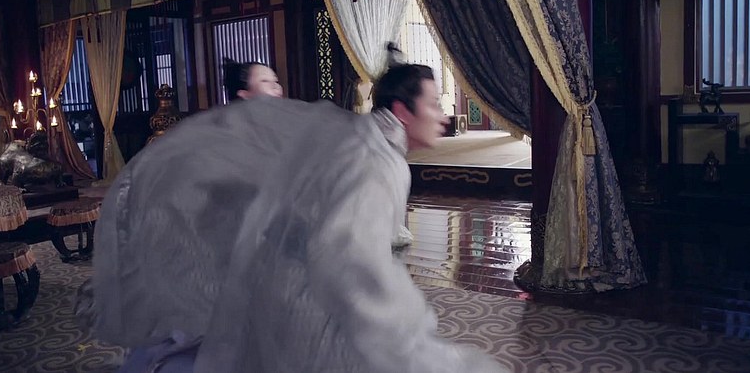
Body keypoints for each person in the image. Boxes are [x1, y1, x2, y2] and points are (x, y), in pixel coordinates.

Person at [78, 61, 506, 372]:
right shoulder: (375, 160)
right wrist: (404, 329)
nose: (444, 115)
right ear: (402, 110)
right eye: (434, 104)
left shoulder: (361, 140)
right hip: (301, 287)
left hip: (287, 269)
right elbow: (349, 260)